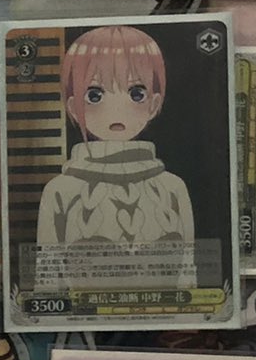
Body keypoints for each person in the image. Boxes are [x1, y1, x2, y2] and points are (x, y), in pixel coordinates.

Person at [36, 25, 193, 253]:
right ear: (73, 107)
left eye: (136, 94)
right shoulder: (59, 190)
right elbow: (48, 268)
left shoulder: (173, 187)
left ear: (154, 104)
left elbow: (189, 264)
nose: (117, 110)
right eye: (94, 95)